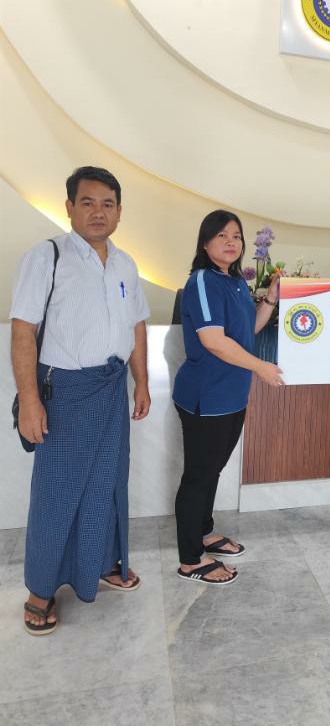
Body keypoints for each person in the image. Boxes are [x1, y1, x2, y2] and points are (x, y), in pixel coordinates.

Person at [11, 166, 151, 635]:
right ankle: (40, 589)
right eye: (87, 202)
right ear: (69, 206)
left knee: (107, 483)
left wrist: (141, 381)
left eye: (107, 204)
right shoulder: (47, 257)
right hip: (64, 393)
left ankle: (102, 562)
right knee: (57, 492)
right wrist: (30, 400)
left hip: (112, 388)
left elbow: (136, 326)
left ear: (119, 212)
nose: (98, 212)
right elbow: (23, 330)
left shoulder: (127, 264)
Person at [173, 210, 284, 585]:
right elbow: (213, 341)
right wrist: (261, 367)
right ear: (205, 243)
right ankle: (190, 559)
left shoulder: (234, 281)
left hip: (232, 395)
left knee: (212, 471)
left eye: (236, 235)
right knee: (198, 476)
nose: (231, 242)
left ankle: (203, 532)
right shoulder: (203, 281)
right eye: (221, 235)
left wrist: (269, 301)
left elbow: (246, 331)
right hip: (206, 397)